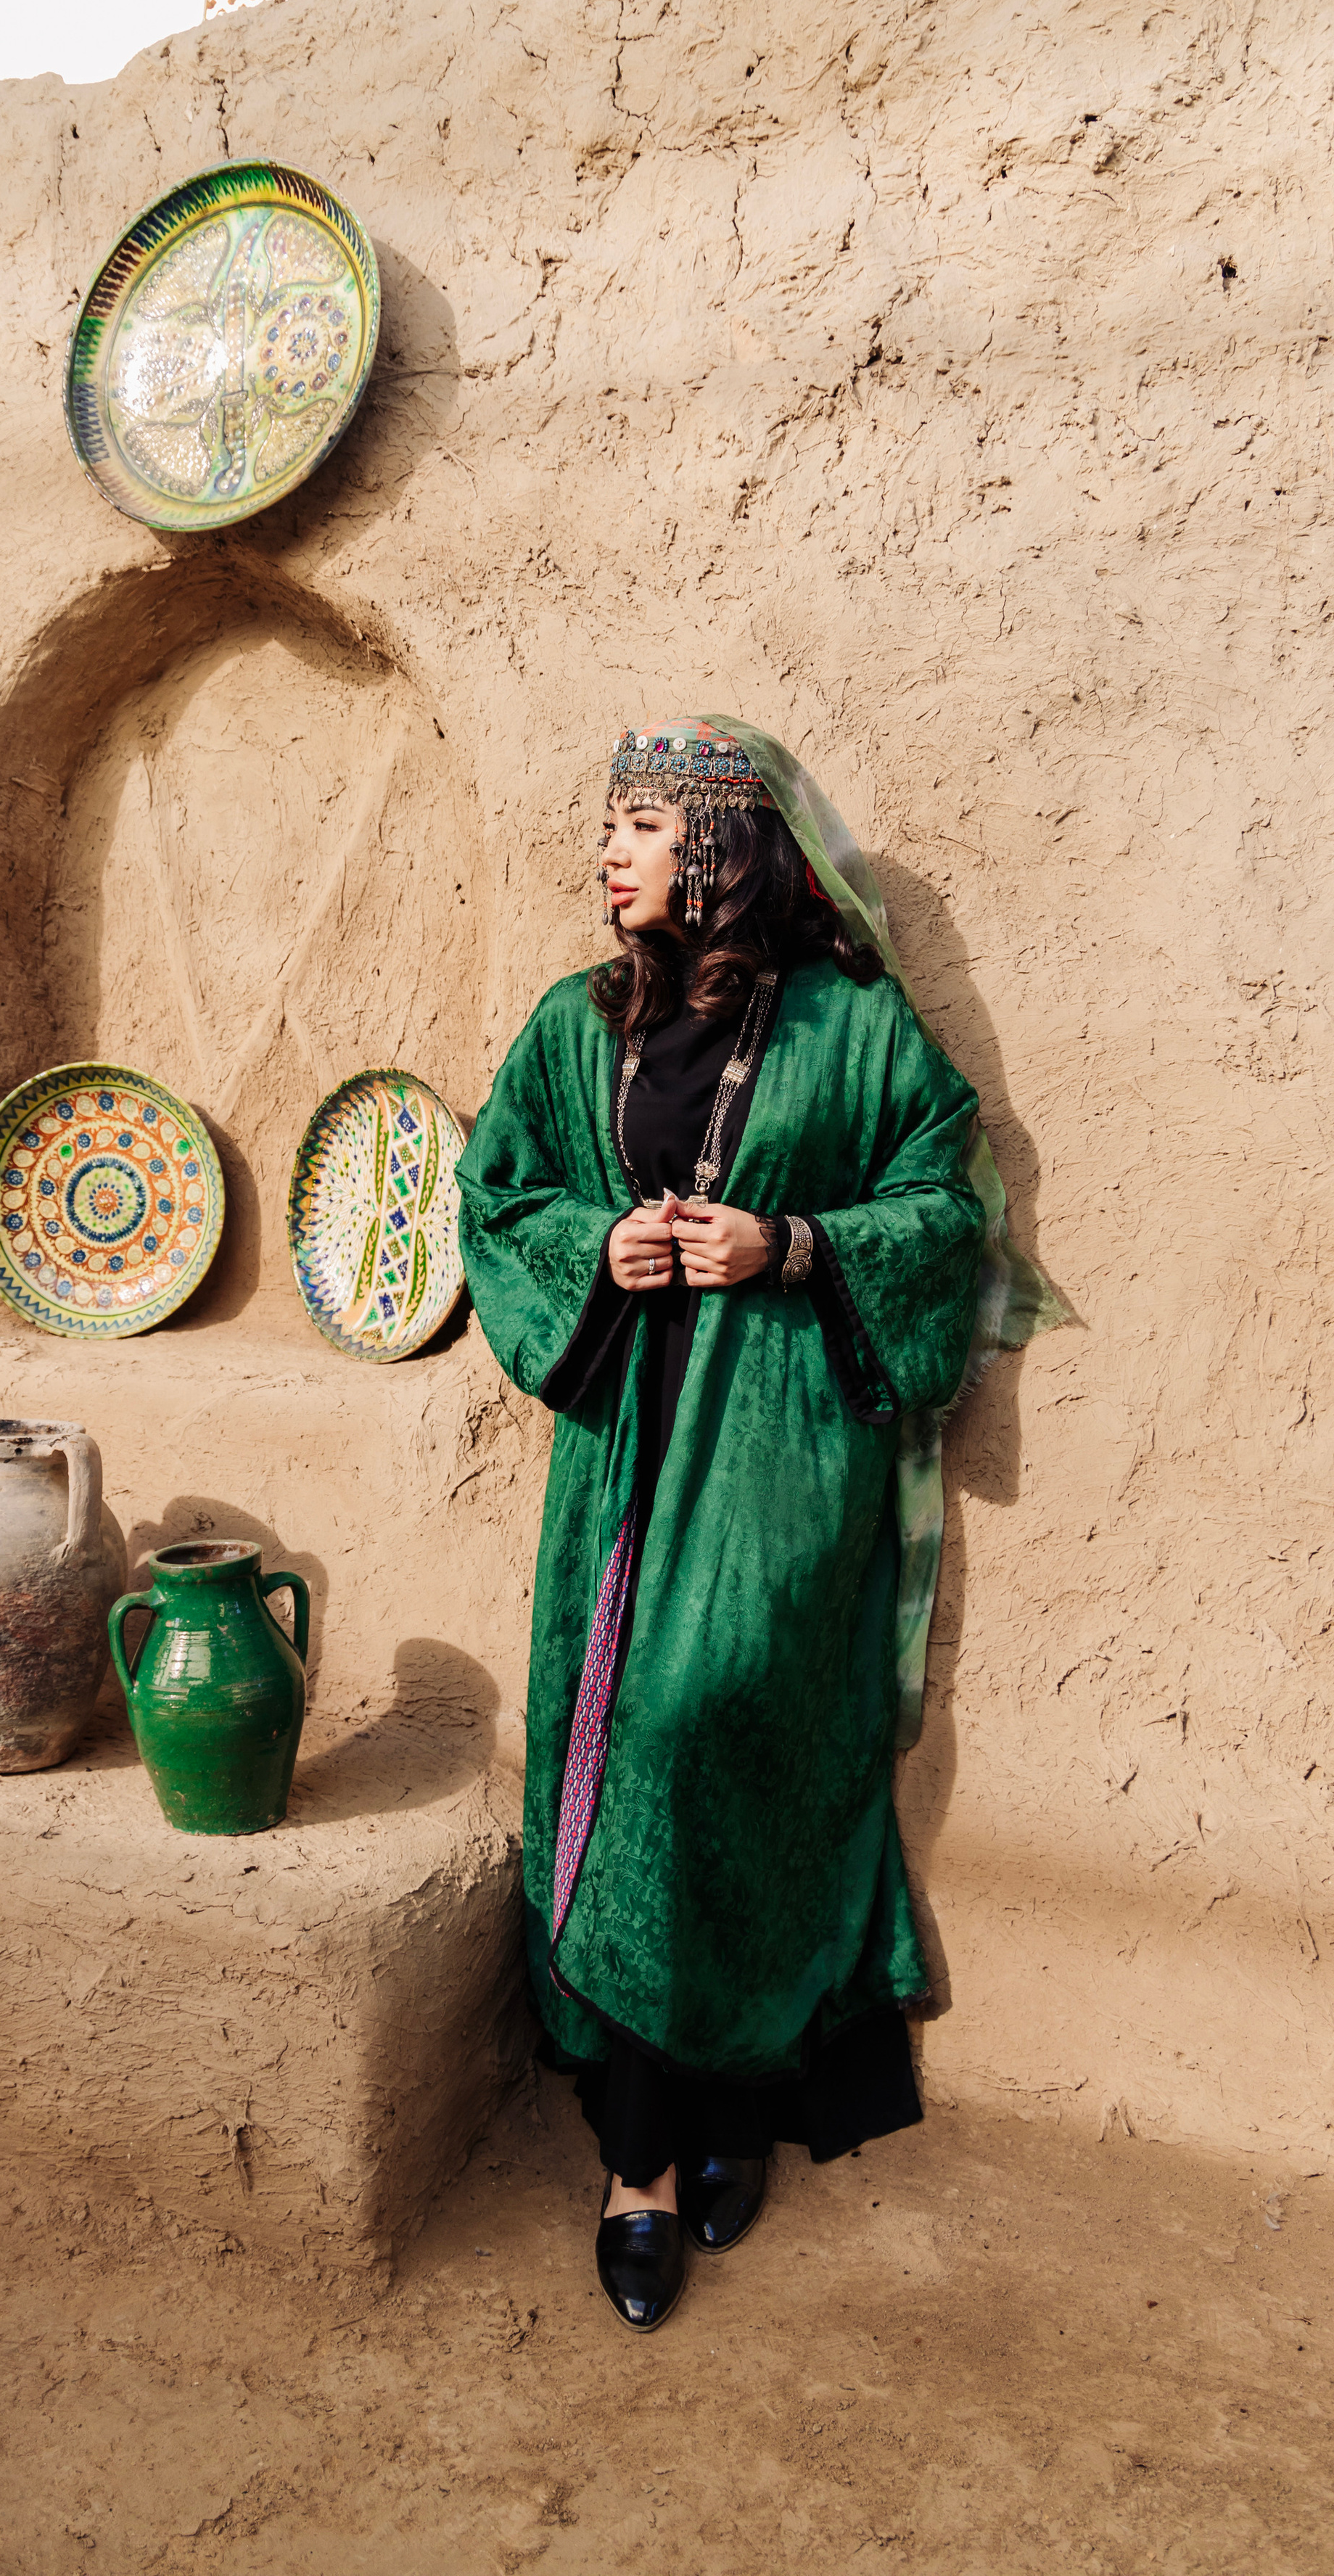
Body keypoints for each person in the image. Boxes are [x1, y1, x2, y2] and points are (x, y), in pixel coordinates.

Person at [456, 718, 1058, 2334]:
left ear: (726, 847)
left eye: (645, 825)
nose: (612, 851)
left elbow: (944, 1207)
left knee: (730, 1745)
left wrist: (785, 1246)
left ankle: (736, 2102)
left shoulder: (855, 1026)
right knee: (637, 1749)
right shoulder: (574, 1027)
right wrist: (597, 1249)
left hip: (783, 1469)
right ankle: (643, 2157)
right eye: (612, 825)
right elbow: (496, 1199)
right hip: (621, 1470)